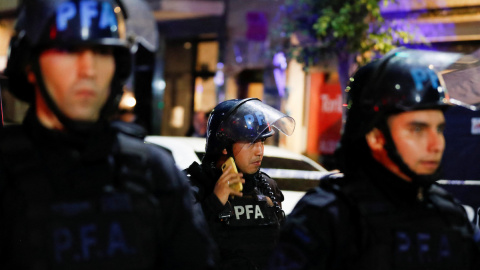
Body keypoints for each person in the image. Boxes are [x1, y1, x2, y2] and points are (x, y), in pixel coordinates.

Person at [0, 0, 216, 269]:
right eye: (69, 49)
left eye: (102, 51)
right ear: (29, 65)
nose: (88, 70)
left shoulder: (155, 173)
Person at [268, 49, 480, 269]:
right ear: (376, 136)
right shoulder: (324, 220)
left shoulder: (449, 215)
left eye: (439, 129)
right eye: (417, 129)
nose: (436, 145)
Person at [186, 98, 295, 269]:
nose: (259, 151)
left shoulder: (267, 186)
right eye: (251, 142)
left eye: (262, 142)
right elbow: (182, 246)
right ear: (224, 146)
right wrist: (215, 201)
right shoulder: (194, 188)